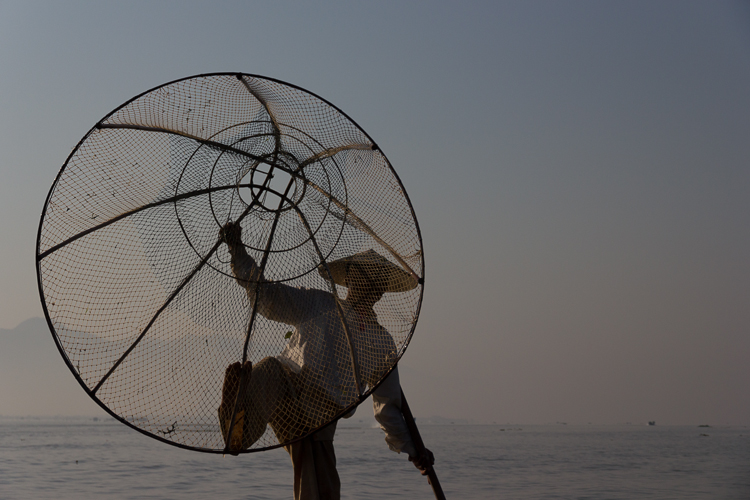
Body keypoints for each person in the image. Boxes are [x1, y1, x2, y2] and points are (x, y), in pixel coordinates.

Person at [217, 221, 433, 500]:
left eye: (373, 281)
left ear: (380, 290)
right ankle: (237, 428)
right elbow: (268, 298)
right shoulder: (319, 303)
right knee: (268, 369)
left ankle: (242, 421)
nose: (365, 285)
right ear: (349, 278)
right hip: (287, 390)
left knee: (321, 490)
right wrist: (237, 250)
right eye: (360, 276)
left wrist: (414, 450)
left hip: (322, 418)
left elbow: (388, 407)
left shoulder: (382, 343)